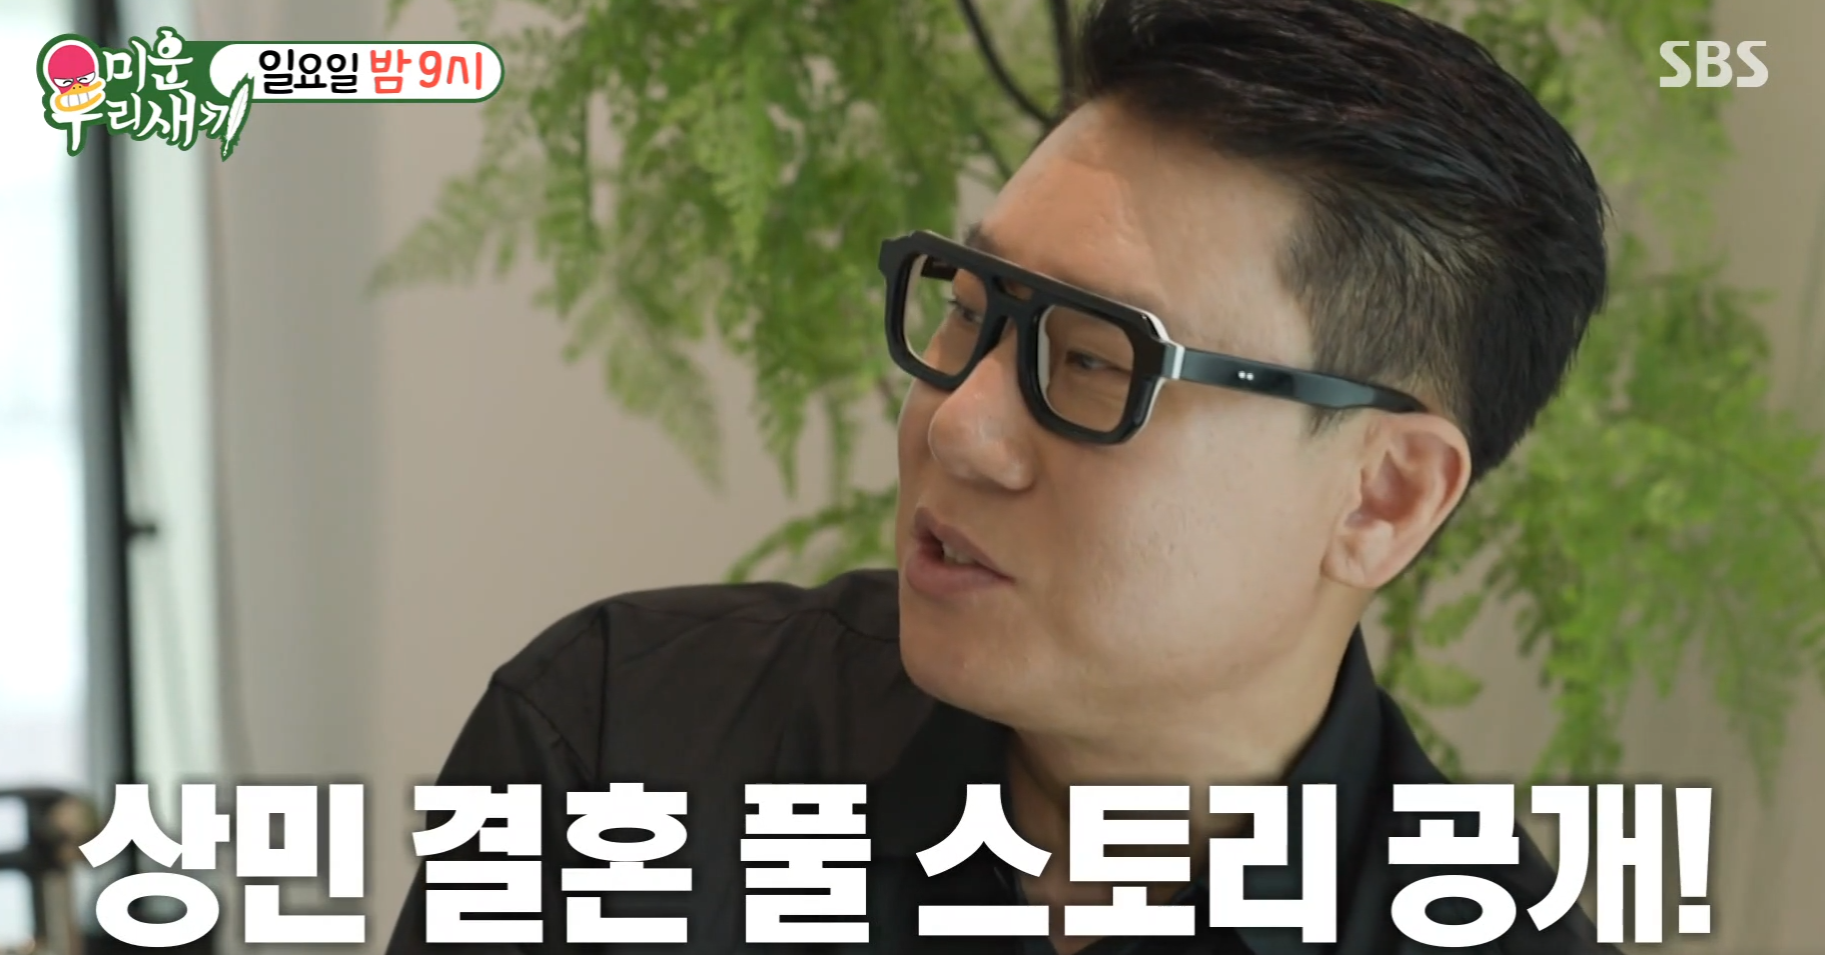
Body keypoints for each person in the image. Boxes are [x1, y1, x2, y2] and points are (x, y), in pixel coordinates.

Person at [385, 0, 1615, 952]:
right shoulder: (624, 749)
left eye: (1092, 362)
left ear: (1383, 496)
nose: (957, 426)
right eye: (970, 307)